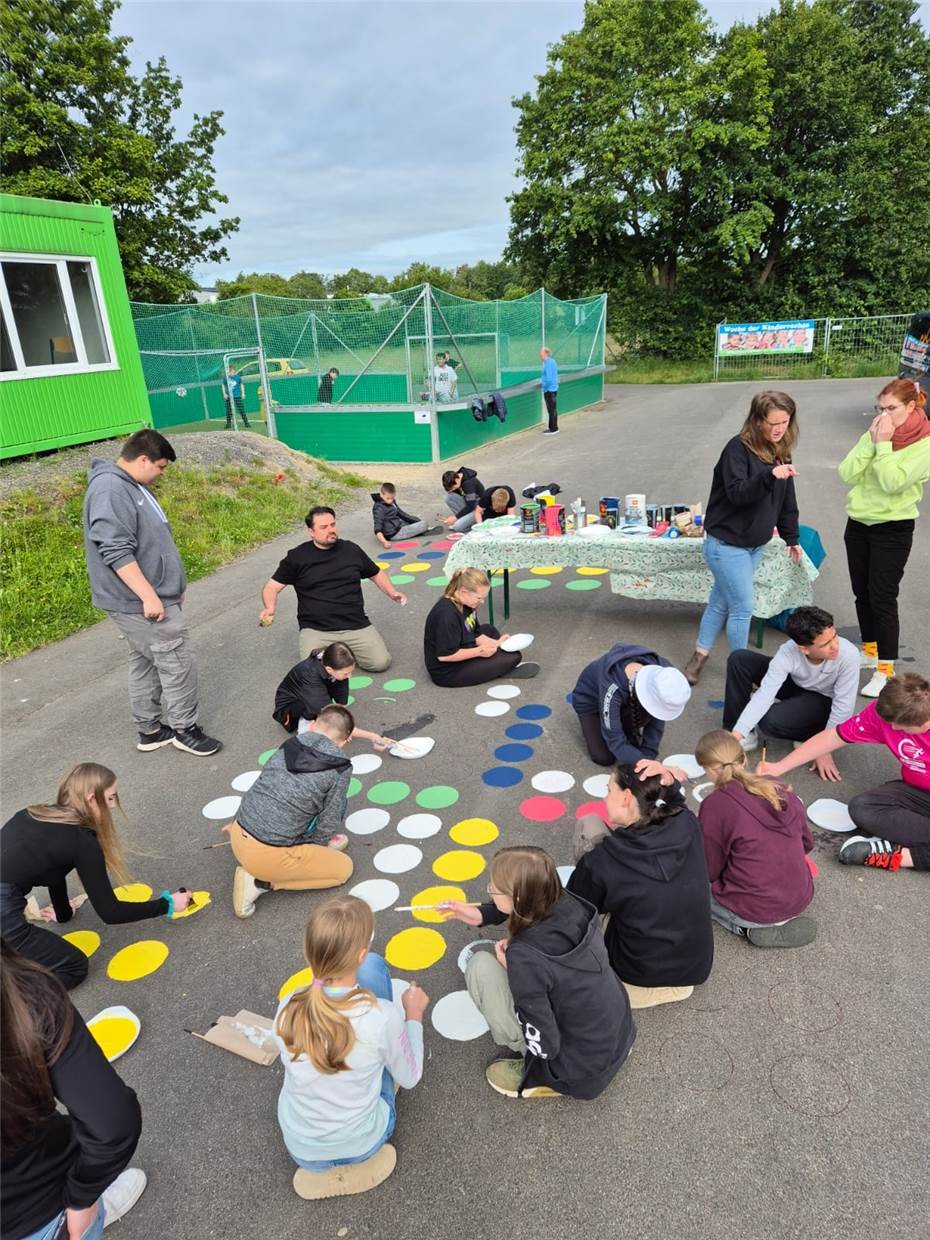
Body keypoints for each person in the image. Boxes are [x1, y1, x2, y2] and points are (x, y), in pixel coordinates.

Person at [443, 846, 635, 1099]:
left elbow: (546, 1043)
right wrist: (483, 913)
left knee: (480, 967)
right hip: (619, 1034)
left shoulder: (525, 959)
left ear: (518, 899)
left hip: (580, 1073)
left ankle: (537, 1077)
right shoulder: (570, 902)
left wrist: (515, 972)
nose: (489, 888)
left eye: (494, 888)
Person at [273, 896, 427, 1199]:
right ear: (359, 954)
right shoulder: (381, 1016)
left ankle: (322, 1170)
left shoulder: (287, 1005)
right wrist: (414, 1016)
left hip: (301, 1148)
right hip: (363, 1142)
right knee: (386, 1064)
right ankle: (356, 1164)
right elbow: (411, 1077)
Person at [82, 429, 221, 756]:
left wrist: (173, 587)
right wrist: (150, 595)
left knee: (146, 662)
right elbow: (115, 550)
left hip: (154, 595)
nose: (161, 473)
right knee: (175, 658)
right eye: (159, 467)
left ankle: (151, 730)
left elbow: (153, 543)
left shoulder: (131, 486)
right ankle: (185, 730)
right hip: (138, 601)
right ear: (143, 459)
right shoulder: (111, 488)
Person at [0, 764, 194, 990]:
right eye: (111, 799)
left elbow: (52, 871)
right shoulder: (82, 842)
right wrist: (167, 905)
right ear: (91, 799)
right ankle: (13, 1004)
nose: (113, 806)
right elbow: (111, 913)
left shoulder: (33, 814)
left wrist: (63, 913)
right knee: (74, 967)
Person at [0, 941, 147, 1240]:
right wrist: (82, 1197)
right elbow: (115, 1125)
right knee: (75, 965)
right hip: (48, 1209)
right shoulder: (23, 992)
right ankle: (93, 1200)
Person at [567, 764, 714, 1008]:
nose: (605, 797)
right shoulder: (687, 823)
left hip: (636, 979)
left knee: (589, 826)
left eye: (608, 790)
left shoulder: (604, 861)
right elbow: (675, 803)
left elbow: (571, 910)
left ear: (626, 797)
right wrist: (669, 782)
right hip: (694, 968)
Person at [684, 392, 802, 685]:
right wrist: (770, 475)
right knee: (743, 607)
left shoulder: (781, 450)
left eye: (785, 422)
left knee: (721, 602)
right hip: (726, 544)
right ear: (757, 420)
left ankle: (699, 655)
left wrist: (792, 538)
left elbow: (787, 501)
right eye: (773, 423)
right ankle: (743, 671)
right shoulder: (737, 449)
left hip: (755, 544)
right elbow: (738, 494)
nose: (779, 429)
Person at [758, 673, 930, 874]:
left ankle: (901, 856)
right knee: (862, 807)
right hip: (916, 791)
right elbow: (833, 737)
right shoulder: (884, 713)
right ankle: (903, 843)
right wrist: (778, 767)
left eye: (904, 728)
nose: (892, 729)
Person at [838, 378, 930, 698]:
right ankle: (871, 650)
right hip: (859, 522)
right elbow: (847, 473)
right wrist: (873, 444)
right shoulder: (876, 433)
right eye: (880, 408)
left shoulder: (925, 444)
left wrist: (882, 446)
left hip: (893, 527)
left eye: (891, 408)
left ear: (911, 405)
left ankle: (886, 670)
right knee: (861, 592)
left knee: (882, 597)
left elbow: (893, 482)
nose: (884, 415)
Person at [228, 705, 356, 918]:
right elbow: (330, 816)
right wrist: (319, 850)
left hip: (238, 832)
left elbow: (261, 783)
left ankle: (287, 858)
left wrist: (236, 821)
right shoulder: (340, 767)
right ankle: (260, 883)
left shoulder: (290, 743)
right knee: (344, 870)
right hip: (268, 854)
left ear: (313, 725)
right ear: (345, 741)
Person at [694, 730, 817, 947]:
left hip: (753, 910)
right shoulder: (777, 787)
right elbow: (807, 843)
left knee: (689, 884)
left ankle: (744, 928)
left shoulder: (715, 805)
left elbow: (710, 870)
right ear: (745, 758)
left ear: (707, 770)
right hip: (800, 897)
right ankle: (776, 918)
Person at [259, 506, 406, 672]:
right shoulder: (297, 557)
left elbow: (376, 574)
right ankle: (338, 651)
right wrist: (270, 607)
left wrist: (392, 592)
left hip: (355, 624)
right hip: (317, 629)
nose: (331, 530)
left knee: (380, 663)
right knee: (313, 670)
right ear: (311, 532)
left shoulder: (351, 550)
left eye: (332, 525)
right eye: (323, 527)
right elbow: (272, 586)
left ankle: (344, 650)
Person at [724, 606, 859, 779]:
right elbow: (766, 693)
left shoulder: (848, 655)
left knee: (769, 721)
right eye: (826, 644)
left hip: (822, 700)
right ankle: (739, 735)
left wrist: (824, 749)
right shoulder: (788, 651)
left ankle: (812, 735)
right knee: (739, 659)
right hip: (796, 684)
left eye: (835, 636)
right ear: (804, 649)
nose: (835, 646)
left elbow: (844, 707)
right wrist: (737, 734)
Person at [570, 642, 691, 766]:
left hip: (626, 698)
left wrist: (648, 754)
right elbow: (615, 740)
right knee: (603, 757)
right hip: (591, 704)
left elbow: (659, 716)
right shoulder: (612, 686)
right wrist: (642, 763)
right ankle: (604, 724)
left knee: (632, 749)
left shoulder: (666, 674)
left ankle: (621, 725)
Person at [423, 568, 537, 687]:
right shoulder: (447, 616)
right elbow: (444, 656)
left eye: (484, 597)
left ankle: (493, 667)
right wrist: (479, 652)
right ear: (463, 592)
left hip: (461, 646)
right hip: (448, 671)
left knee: (489, 629)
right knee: (514, 657)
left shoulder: (465, 602)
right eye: (479, 598)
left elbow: (475, 634)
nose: (482, 602)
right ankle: (497, 669)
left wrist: (498, 643)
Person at [272, 641, 394, 749]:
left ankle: (319, 721)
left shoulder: (334, 663)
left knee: (334, 692)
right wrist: (371, 736)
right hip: (291, 708)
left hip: (312, 695)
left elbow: (341, 701)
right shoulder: (310, 677)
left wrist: (345, 727)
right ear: (329, 669)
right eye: (346, 673)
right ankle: (305, 727)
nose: (349, 676)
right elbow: (332, 716)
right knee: (316, 733)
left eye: (351, 672)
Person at [441, 465, 484, 532]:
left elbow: (471, 505)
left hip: (479, 510)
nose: (453, 489)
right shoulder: (458, 478)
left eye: (453, 487)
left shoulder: (468, 483)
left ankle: (471, 524)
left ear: (456, 479)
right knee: (448, 497)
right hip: (470, 504)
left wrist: (455, 518)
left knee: (457, 527)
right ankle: (464, 520)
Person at [540, 347, 559, 435]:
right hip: (553, 389)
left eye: (541, 353)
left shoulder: (548, 363)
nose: (540, 355)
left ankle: (553, 429)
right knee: (552, 409)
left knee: (551, 409)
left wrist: (545, 387)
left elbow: (549, 378)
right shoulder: (552, 361)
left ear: (545, 353)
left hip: (549, 390)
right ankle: (552, 427)